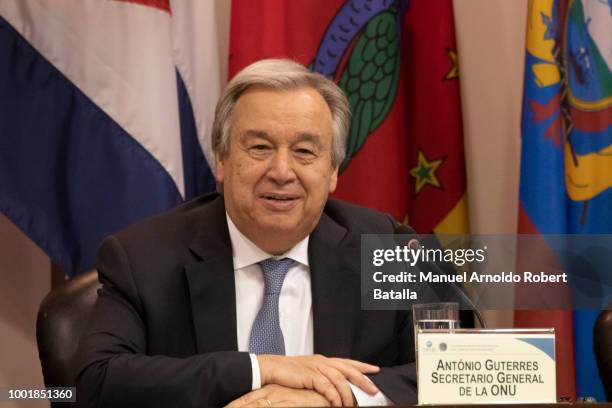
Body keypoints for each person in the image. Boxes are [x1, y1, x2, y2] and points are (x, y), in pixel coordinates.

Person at [75, 59, 417, 407]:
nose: (282, 171)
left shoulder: (388, 248)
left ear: (332, 170)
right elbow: (95, 382)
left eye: (304, 151)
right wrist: (259, 369)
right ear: (221, 160)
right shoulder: (143, 257)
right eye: (260, 148)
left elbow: (470, 366)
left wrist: (335, 397)